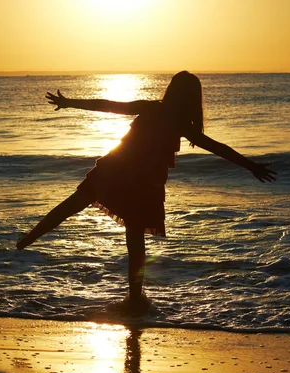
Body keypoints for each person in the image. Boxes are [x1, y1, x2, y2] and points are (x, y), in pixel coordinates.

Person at [16, 71, 276, 311]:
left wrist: (71, 102)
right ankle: (135, 298)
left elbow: (108, 105)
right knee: (135, 242)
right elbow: (218, 147)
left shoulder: (154, 110)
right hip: (140, 184)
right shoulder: (182, 125)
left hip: (117, 171)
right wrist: (250, 165)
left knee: (73, 205)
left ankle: (29, 238)